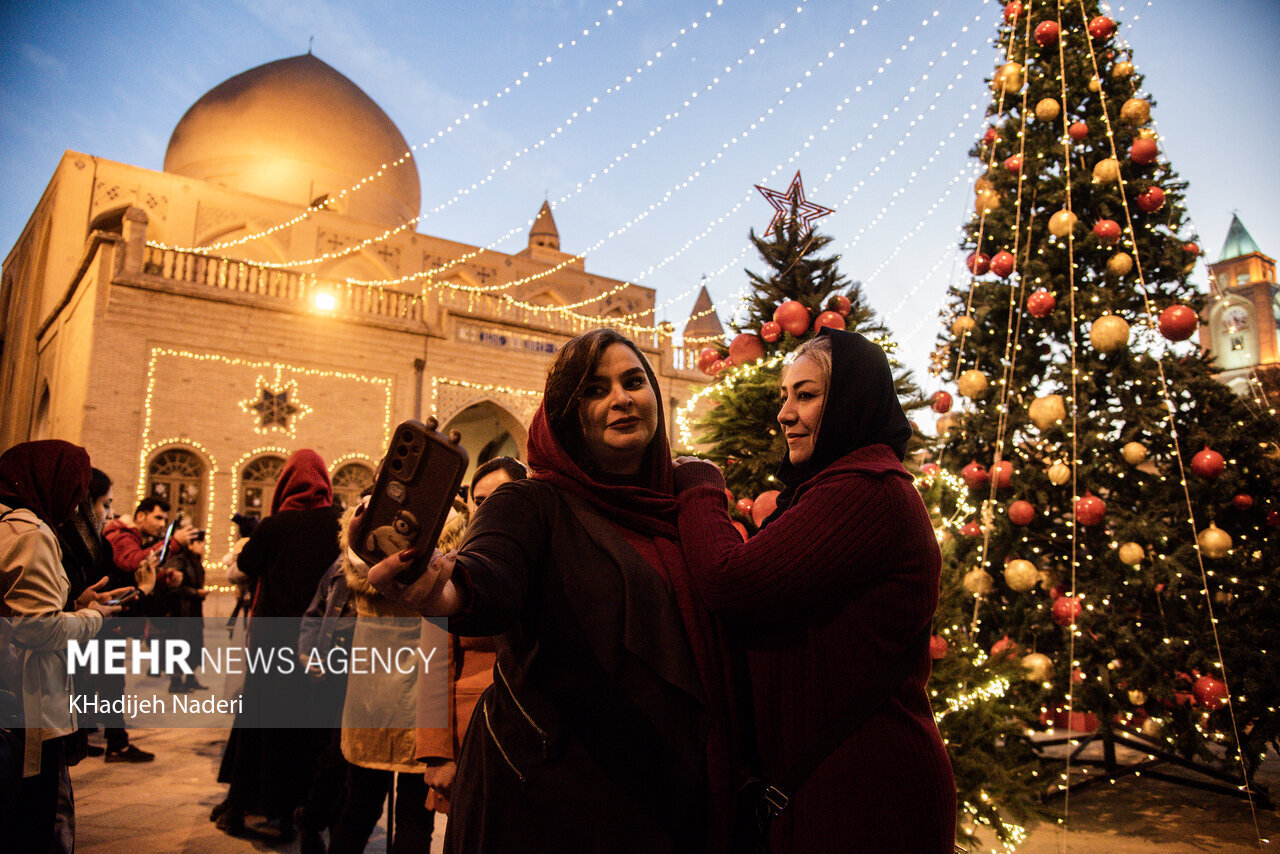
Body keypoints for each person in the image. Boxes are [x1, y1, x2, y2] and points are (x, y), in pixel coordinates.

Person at [367, 329, 741, 854]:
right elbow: (489, 575)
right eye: (595, 389)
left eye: (634, 381)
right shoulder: (531, 504)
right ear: (567, 412)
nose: (621, 398)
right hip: (554, 796)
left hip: (671, 793)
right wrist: (439, 592)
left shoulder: (684, 509)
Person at [672, 329, 957, 853]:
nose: (785, 414)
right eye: (785, 396)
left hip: (869, 797)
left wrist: (701, 487)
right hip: (831, 786)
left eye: (805, 395)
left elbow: (731, 581)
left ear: (851, 400)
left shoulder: (865, 491)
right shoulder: (829, 489)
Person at [213, 448, 342, 839]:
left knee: (263, 725)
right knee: (308, 729)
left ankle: (247, 804)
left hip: (272, 642)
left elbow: (244, 567)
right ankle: (301, 809)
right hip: (318, 643)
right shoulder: (338, 523)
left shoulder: (274, 526)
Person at [0, 440, 121, 853]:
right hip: (26, 706)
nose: (77, 505)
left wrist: (73, 604)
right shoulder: (31, 533)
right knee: (35, 823)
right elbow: (35, 629)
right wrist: (93, 618)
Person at [416, 456, 528, 813]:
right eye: (480, 500)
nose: (488, 507)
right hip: (473, 731)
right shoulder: (457, 568)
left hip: (535, 736)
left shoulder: (548, 556)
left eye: (501, 495)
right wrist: (437, 754)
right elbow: (433, 665)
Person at [58, 468, 157, 762]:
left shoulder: (85, 543)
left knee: (103, 683)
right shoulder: (99, 542)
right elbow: (43, 622)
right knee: (103, 684)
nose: (111, 514)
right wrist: (144, 590)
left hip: (94, 627)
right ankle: (111, 741)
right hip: (88, 634)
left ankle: (94, 738)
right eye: (106, 504)